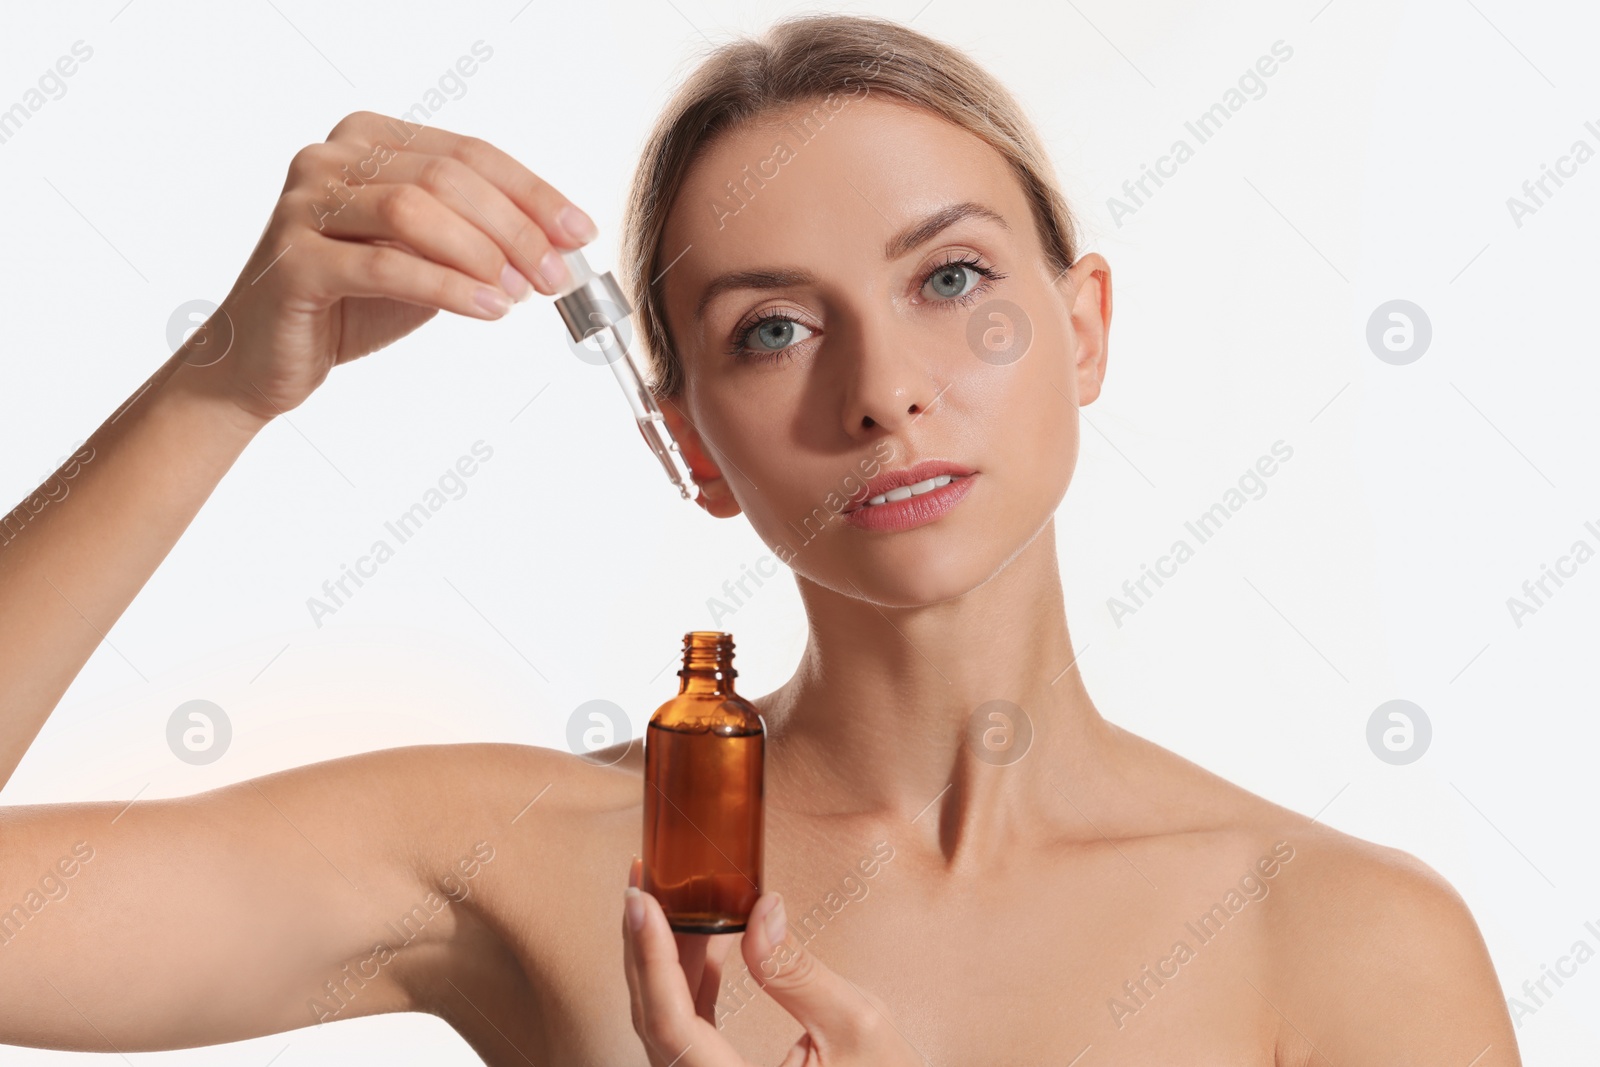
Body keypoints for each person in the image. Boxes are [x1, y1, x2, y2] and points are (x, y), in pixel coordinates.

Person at [0, 12, 1520, 1066]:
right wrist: (223, 386)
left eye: (948, 279)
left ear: (1084, 329)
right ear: (690, 447)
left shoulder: (1343, 935)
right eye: (774, 328)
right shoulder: (533, 861)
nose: (885, 392)